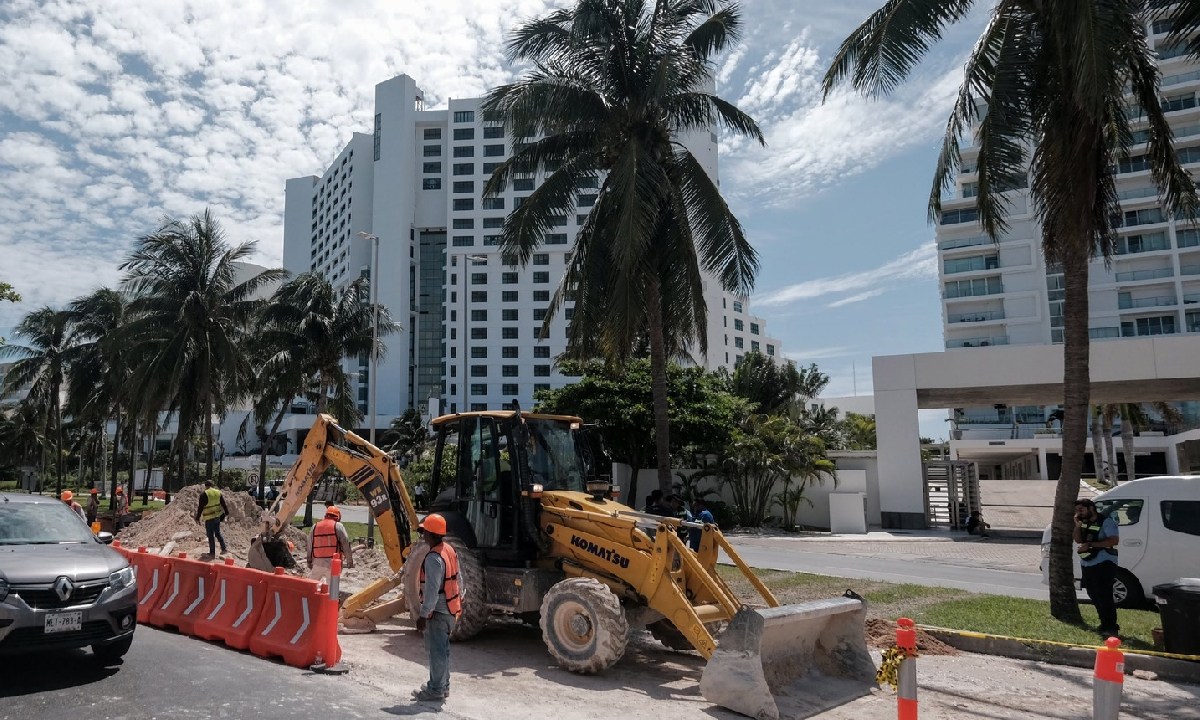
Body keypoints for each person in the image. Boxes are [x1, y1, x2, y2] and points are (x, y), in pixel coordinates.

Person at [411, 513, 461, 703]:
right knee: (444, 649)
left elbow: (431, 591)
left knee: (436, 651)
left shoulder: (433, 558)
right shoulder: (448, 549)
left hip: (438, 611)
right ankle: (442, 686)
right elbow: (458, 580)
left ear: (430, 534)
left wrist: (423, 615)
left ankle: (435, 690)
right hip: (450, 607)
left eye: (424, 532)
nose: (423, 536)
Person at [1074, 498, 1121, 637]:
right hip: (1087, 562)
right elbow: (1077, 540)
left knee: (1104, 594)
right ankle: (1103, 623)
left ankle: (1111, 627)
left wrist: (1091, 545)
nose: (1078, 513)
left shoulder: (1106, 521)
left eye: (1081, 510)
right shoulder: (1083, 523)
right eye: (1076, 511)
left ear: (1091, 508)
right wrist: (1077, 526)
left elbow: (1114, 540)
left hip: (1104, 562)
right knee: (1092, 593)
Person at [307, 505, 354, 585]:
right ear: (338, 517)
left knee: (312, 586)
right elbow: (346, 544)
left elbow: (310, 544)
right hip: (333, 564)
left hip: (318, 562)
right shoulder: (338, 526)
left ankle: (312, 597)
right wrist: (350, 561)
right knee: (332, 590)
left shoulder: (315, 526)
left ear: (326, 515)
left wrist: (309, 561)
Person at [193, 480, 230, 558]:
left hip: (209, 518)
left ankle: (212, 553)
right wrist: (226, 513)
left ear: (206, 486)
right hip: (217, 516)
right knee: (218, 533)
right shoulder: (218, 492)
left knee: (210, 535)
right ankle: (224, 549)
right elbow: (223, 503)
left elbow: (200, 507)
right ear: (212, 485)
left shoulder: (204, 494)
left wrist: (197, 517)